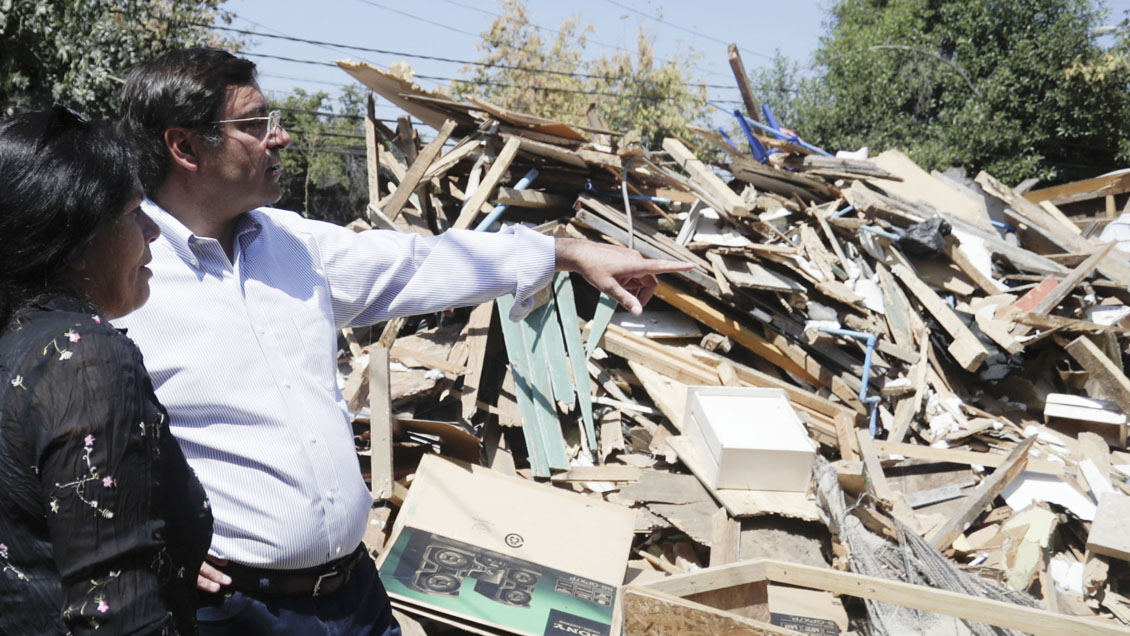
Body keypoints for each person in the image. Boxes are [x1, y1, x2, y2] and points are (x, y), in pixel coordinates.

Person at [114, 48, 691, 635]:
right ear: (184, 147)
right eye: (256, 123)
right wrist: (147, 537)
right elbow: (57, 437)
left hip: (354, 594)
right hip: (237, 613)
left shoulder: (293, 245)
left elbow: (421, 262)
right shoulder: (126, 278)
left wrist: (566, 251)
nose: (280, 137)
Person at [0, 106, 213, 635]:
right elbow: (116, 614)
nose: (153, 231)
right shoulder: (84, 359)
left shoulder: (18, 341)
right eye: (133, 211)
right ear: (74, 241)